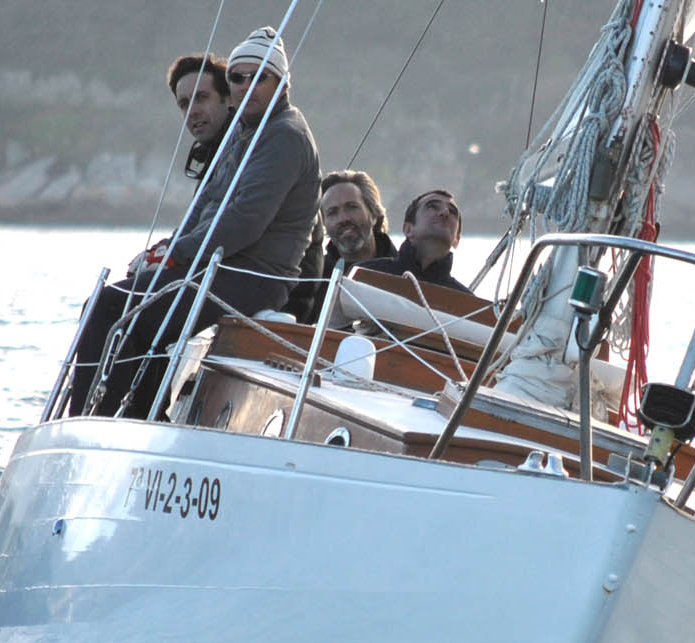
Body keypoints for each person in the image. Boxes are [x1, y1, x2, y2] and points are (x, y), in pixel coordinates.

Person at [66, 28, 320, 418]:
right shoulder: (243, 132)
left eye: (259, 77)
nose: (246, 86)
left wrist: (178, 254)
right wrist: (164, 250)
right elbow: (202, 209)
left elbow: (245, 220)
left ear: (282, 84)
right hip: (222, 266)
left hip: (253, 276)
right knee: (132, 313)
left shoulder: (284, 136)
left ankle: (87, 420)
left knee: (108, 306)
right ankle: (133, 416)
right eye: (238, 77)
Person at [285, 170, 398, 323]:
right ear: (324, 224)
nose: (343, 219)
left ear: (373, 214)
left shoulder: (405, 271)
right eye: (332, 213)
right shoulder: (311, 280)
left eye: (352, 207)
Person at [356, 188, 473, 295]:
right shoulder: (365, 274)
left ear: (456, 240)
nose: (445, 212)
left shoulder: (467, 302)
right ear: (408, 229)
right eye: (432, 207)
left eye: (452, 212)